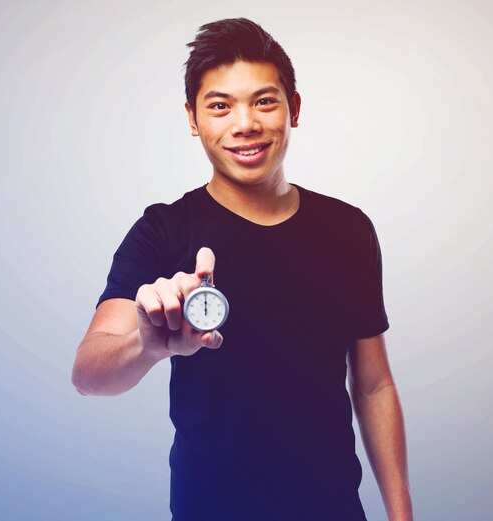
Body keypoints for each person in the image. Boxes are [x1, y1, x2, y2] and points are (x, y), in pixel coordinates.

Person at [72, 17, 412, 521]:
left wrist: (401, 517)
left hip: (332, 507)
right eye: (220, 106)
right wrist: (147, 344)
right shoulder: (162, 231)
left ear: (294, 108)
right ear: (193, 118)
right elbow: (88, 374)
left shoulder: (348, 228)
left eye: (264, 100)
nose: (245, 123)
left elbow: (373, 384)